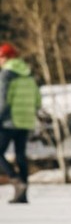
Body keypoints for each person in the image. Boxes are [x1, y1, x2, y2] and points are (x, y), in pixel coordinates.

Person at [0, 42, 42, 204]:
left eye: (1, 57)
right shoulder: (27, 72)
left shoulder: (6, 74)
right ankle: (23, 194)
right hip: (26, 120)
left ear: (8, 57)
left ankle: (15, 180)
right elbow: (38, 100)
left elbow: (3, 100)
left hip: (9, 120)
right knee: (20, 156)